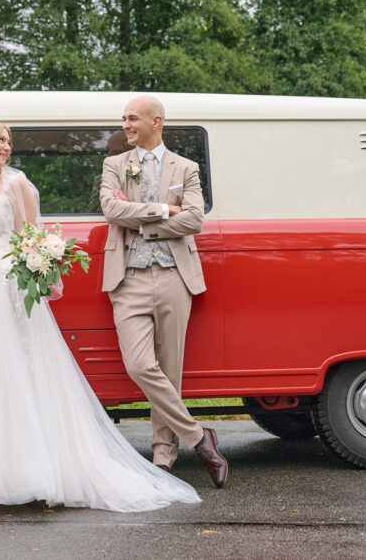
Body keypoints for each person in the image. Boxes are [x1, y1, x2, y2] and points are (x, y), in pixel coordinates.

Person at [0, 120, 200, 512]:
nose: (7, 147)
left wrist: (39, 271)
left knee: (19, 375)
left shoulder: (17, 186)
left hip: (8, 292)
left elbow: (33, 239)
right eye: (0, 140)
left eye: (9, 141)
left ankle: (36, 471)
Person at [99, 95, 229, 488]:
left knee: (170, 371)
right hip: (128, 279)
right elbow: (111, 210)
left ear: (156, 122)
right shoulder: (115, 165)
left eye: (132, 118)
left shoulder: (186, 168)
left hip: (175, 277)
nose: (125, 125)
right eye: (123, 118)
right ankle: (199, 438)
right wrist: (165, 210)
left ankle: (163, 456)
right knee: (140, 366)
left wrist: (142, 219)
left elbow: (195, 220)